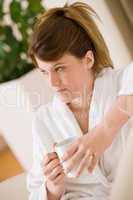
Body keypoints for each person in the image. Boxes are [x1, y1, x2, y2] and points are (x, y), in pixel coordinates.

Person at [27, 2, 133, 200]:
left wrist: (105, 131)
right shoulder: (44, 120)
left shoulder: (120, 85)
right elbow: (35, 190)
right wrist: (52, 188)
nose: (52, 82)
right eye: (44, 72)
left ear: (88, 60)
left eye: (59, 68)